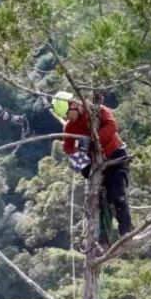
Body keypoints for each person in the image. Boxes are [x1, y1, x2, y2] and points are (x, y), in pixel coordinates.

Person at [54, 92, 133, 240]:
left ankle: (126, 229)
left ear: (74, 105)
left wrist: (93, 140)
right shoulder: (70, 127)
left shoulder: (98, 111)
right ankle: (103, 239)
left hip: (115, 155)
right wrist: (80, 154)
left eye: (67, 114)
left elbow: (112, 126)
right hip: (95, 164)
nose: (68, 118)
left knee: (118, 195)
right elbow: (68, 147)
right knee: (101, 202)